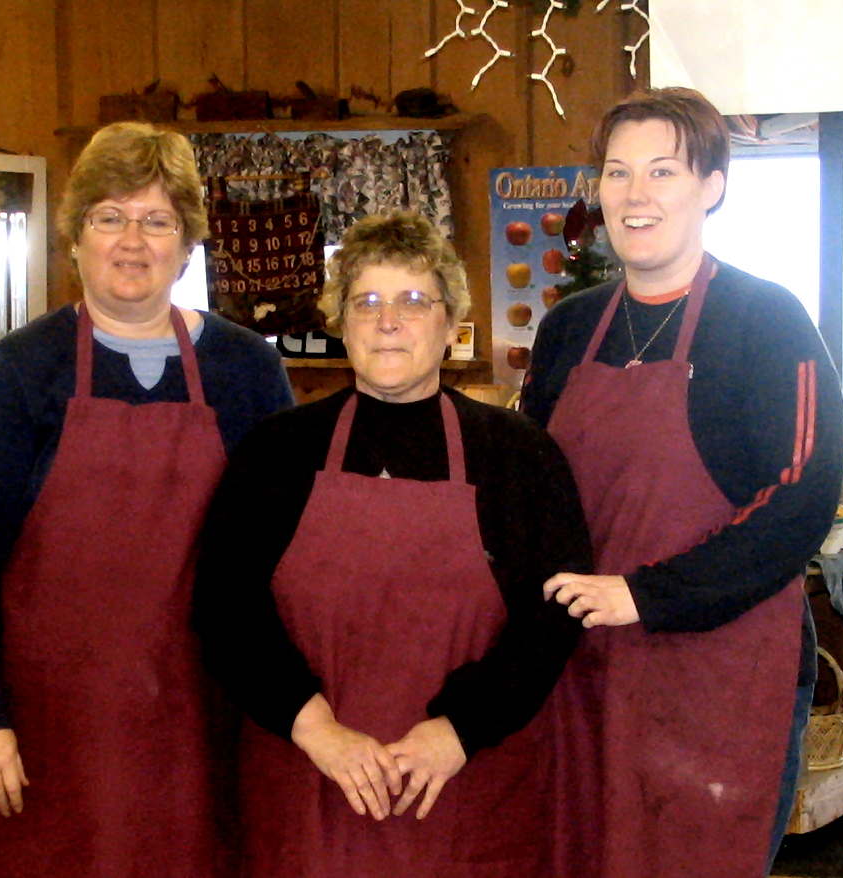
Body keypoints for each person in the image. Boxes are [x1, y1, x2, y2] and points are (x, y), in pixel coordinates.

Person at [0, 121, 294, 878]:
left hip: (201, 723)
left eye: (157, 220)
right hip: (44, 732)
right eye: (110, 217)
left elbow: (284, 555)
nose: (132, 241)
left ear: (187, 244)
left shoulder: (247, 370)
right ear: (76, 238)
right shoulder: (22, 369)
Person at [194, 211, 591, 878]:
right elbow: (225, 609)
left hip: (466, 793)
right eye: (366, 301)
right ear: (341, 322)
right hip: (309, 790)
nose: (388, 321)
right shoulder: (276, 452)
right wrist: (316, 728)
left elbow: (552, 618)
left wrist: (460, 729)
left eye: (412, 300)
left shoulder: (521, 456)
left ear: (450, 322)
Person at [521, 87, 843, 877]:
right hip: (584, 667)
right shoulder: (569, 328)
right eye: (618, 172)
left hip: (722, 673)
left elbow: (802, 495)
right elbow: (527, 484)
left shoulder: (765, 320)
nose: (636, 194)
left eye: (663, 171)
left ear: (712, 186)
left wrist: (646, 595)